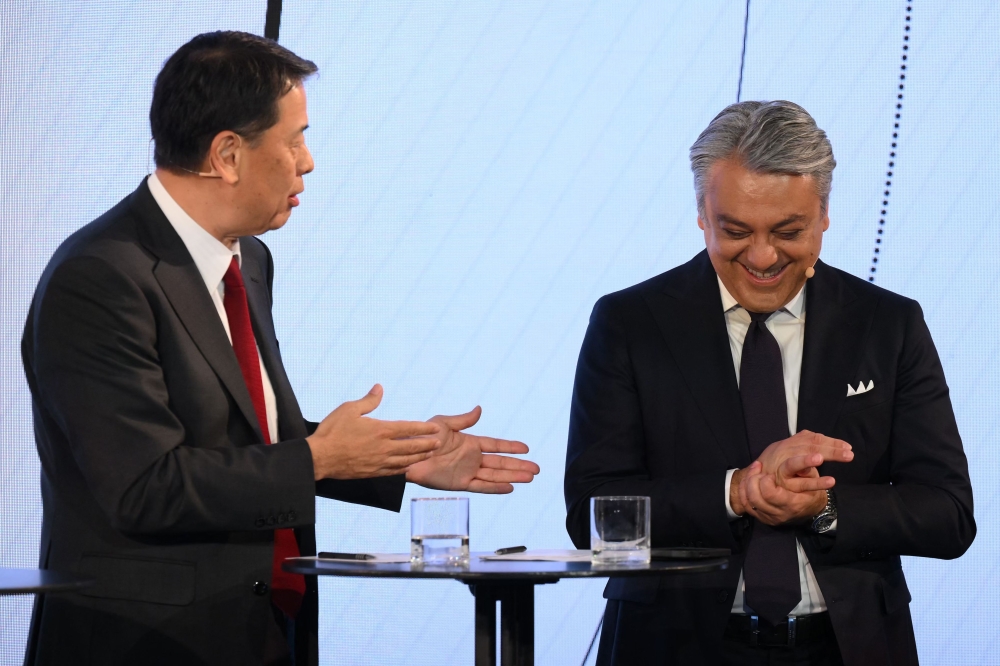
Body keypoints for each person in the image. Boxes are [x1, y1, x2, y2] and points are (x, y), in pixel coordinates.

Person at [21, 31, 539, 666]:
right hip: (145, 641)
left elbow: (249, 437)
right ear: (228, 155)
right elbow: (144, 485)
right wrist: (318, 459)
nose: (309, 161)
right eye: (294, 140)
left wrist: (398, 456)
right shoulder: (101, 277)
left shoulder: (250, 260)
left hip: (263, 629)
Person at [564, 100, 974, 665]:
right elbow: (594, 516)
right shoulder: (630, 324)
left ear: (824, 214)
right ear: (702, 215)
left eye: (788, 231)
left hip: (848, 650)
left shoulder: (888, 325)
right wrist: (735, 492)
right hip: (671, 647)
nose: (762, 257)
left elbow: (948, 514)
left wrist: (822, 506)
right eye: (735, 230)